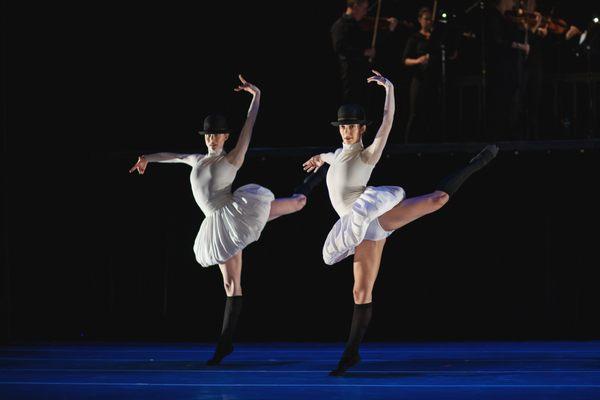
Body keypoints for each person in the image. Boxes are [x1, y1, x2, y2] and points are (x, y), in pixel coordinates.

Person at [303, 70, 498, 376]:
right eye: (344, 127)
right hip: (358, 227)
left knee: (437, 200)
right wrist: (318, 158)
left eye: (353, 127)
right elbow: (330, 156)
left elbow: (387, 124)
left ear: (361, 129)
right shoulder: (337, 153)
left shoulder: (367, 154)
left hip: (371, 214)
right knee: (360, 292)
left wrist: (390, 90)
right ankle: (351, 354)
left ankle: (476, 164)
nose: (348, 131)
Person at [129, 75, 307, 365]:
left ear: (225, 136)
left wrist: (256, 96)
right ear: (205, 137)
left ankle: (312, 180)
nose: (212, 139)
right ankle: (225, 344)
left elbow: (249, 126)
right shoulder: (196, 160)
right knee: (231, 285)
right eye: (209, 135)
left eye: (218, 135)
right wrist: (146, 158)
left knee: (298, 203)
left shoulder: (233, 158)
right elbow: (170, 156)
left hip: (236, 214)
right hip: (218, 224)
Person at [331, 0, 398, 104]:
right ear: (355, 6)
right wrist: (364, 52)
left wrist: (389, 30)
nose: (366, 12)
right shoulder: (340, 25)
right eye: (364, 8)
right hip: (349, 73)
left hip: (363, 72)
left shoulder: (359, 25)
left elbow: (374, 41)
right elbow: (340, 48)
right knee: (350, 102)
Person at [484, 0, 530, 140]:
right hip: (501, 69)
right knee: (502, 104)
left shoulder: (505, 17)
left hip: (509, 68)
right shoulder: (494, 17)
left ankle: (508, 135)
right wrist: (520, 46)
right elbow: (498, 41)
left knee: (510, 103)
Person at [402, 6, 436, 143]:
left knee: (432, 112)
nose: (429, 22)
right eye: (426, 19)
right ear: (420, 20)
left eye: (431, 19)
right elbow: (405, 60)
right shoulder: (414, 38)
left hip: (433, 79)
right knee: (415, 112)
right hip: (419, 79)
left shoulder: (435, 38)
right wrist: (418, 60)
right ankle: (408, 143)